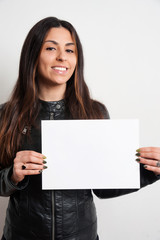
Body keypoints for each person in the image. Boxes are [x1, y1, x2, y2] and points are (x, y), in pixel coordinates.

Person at [0, 16, 160, 240]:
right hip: (21, 235)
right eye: (50, 48)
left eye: (70, 50)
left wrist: (150, 172)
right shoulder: (7, 114)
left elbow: (103, 188)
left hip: (81, 235)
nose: (62, 57)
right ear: (32, 55)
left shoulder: (94, 113)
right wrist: (13, 175)